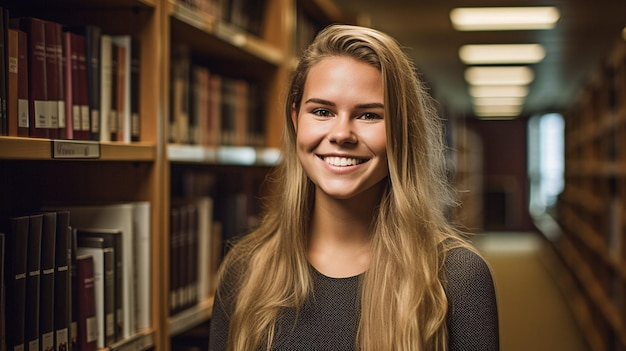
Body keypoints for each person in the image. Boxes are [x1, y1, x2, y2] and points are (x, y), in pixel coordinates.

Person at [208, 24, 499, 351]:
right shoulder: (245, 267)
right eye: (322, 111)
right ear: (295, 119)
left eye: (368, 115)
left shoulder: (457, 277)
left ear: (401, 130)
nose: (341, 134)